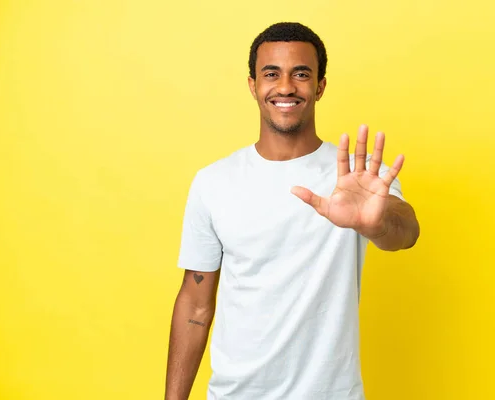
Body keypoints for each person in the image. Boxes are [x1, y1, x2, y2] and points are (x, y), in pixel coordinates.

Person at [165, 22, 420, 400]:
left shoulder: (359, 177)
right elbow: (195, 305)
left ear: (320, 86)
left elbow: (407, 231)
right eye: (272, 74)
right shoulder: (213, 182)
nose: (285, 87)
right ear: (253, 85)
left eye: (301, 74)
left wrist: (377, 223)